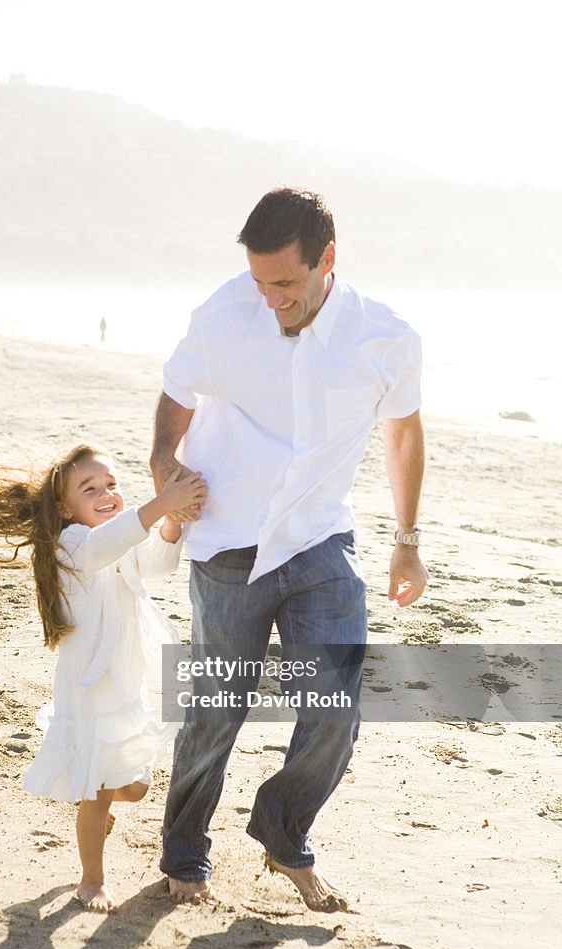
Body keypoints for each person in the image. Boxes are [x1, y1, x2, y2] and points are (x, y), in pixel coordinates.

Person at [150, 187, 429, 911]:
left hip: (318, 539)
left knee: (334, 706)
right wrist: (160, 461)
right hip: (228, 543)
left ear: (326, 259)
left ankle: (282, 832)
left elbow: (401, 433)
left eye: (285, 283)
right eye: (259, 281)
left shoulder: (384, 338)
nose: (271, 298)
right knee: (217, 708)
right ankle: (184, 855)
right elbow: (177, 389)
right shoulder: (224, 312)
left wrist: (406, 540)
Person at [0, 443, 207, 912]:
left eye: (112, 485)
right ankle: (91, 880)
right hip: (90, 688)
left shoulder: (119, 539)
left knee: (135, 787)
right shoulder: (73, 545)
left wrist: (174, 519)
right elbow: (111, 542)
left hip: (126, 683)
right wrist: (159, 504)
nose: (107, 494)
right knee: (99, 789)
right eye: (90, 488)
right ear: (64, 508)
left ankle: (94, 813)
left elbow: (158, 562)